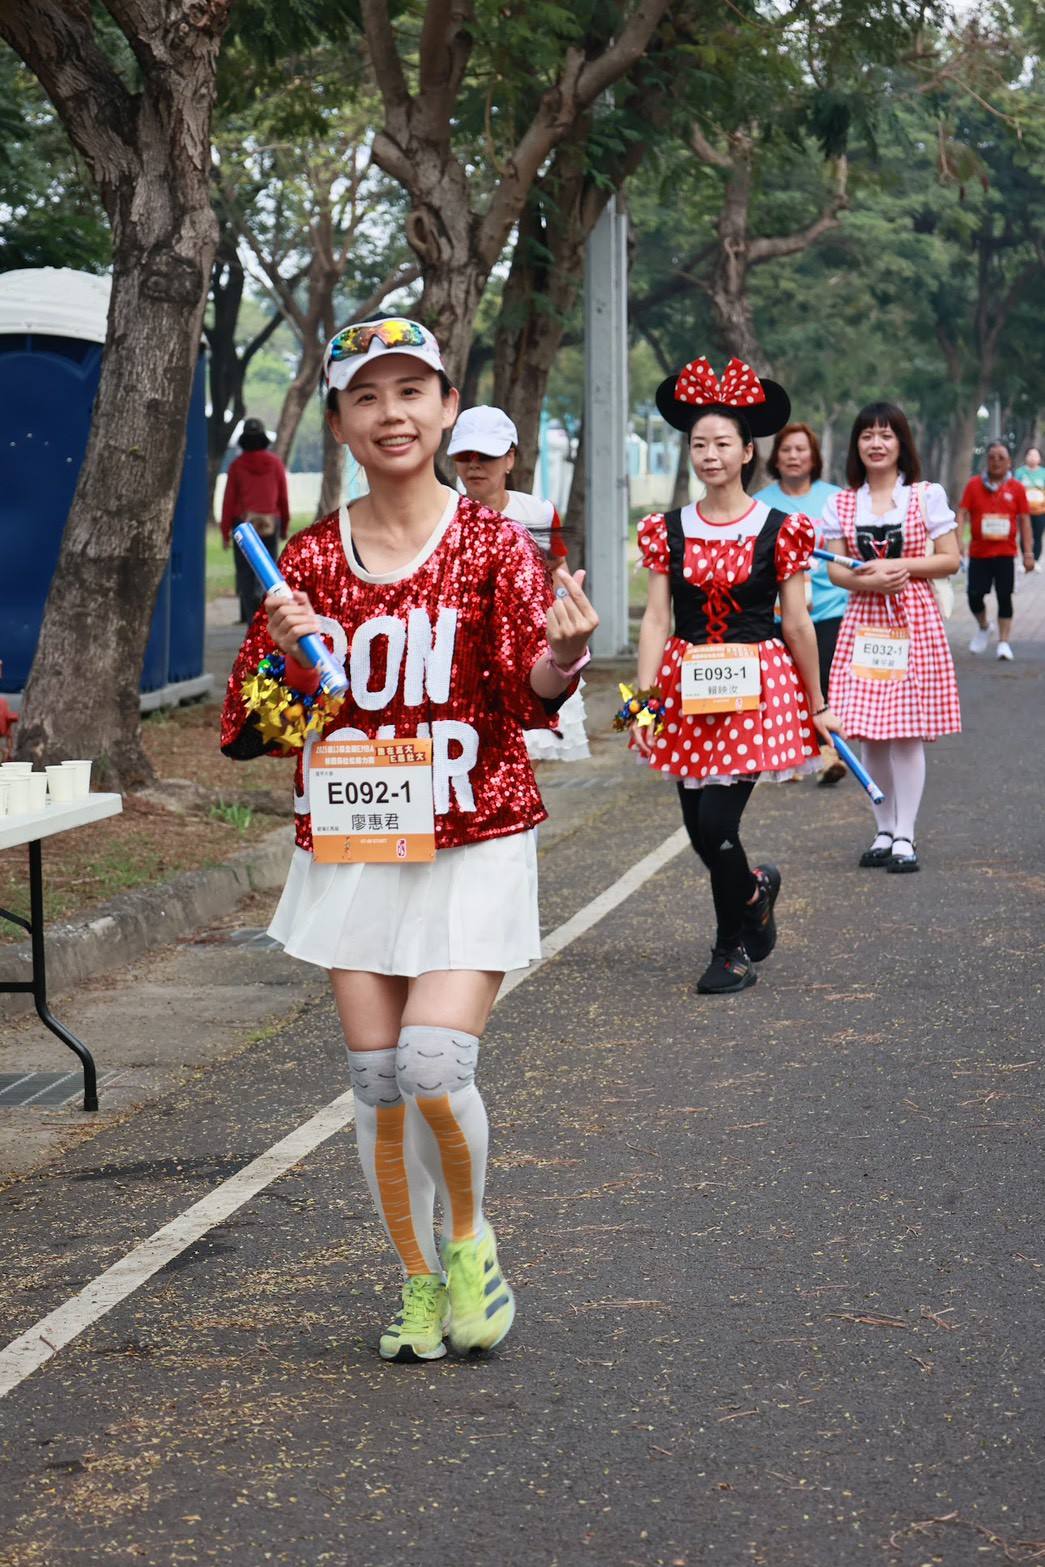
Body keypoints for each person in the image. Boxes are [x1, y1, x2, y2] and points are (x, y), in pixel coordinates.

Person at [221, 318, 598, 1363]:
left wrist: (568, 657)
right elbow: (254, 728)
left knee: (435, 1060)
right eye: (367, 396)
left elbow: (527, 690)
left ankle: (470, 1245)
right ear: (339, 421)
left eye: (411, 391)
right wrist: (291, 658)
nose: (391, 414)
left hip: (474, 831)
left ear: (444, 408)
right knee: (379, 1080)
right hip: (353, 844)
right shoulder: (304, 560)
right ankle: (417, 1278)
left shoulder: (493, 545)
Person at [625, 355, 841, 996]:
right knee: (700, 831)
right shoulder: (666, 528)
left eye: (723, 443)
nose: (710, 455)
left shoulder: (783, 529)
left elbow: (797, 623)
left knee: (719, 826)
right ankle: (754, 892)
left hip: (756, 690)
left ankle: (732, 949)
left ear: (748, 452)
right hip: (685, 688)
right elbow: (656, 620)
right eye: (699, 443)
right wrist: (641, 705)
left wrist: (818, 704)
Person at [823, 402, 961, 874]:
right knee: (867, 730)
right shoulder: (842, 503)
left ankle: (906, 833)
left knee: (905, 730)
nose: (876, 444)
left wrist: (896, 568)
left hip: (912, 619)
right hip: (865, 621)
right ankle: (882, 828)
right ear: (856, 445)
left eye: (886, 435)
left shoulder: (925, 496)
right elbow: (836, 570)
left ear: (902, 443)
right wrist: (869, 582)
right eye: (867, 435)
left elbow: (949, 559)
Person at [448, 404, 589, 762]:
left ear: (510, 459)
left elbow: (557, 567)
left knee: (527, 756)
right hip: (465, 659)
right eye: (465, 455)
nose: (474, 465)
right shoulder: (442, 518)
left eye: (486, 455)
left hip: (531, 654)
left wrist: (563, 609)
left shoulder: (538, 513)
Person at [755, 422, 846, 785]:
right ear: (775, 457)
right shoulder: (760, 503)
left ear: (814, 456)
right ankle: (790, 755)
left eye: (801, 449)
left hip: (830, 606)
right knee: (783, 685)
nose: (794, 456)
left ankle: (829, 754)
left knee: (821, 681)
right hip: (777, 611)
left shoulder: (835, 499)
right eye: (786, 450)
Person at [958, 441, 1033, 661]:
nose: (996, 461)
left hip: (1005, 553)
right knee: (974, 596)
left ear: (1009, 462)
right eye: (992, 457)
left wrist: (1028, 553)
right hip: (979, 553)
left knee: (1004, 596)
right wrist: (958, 542)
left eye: (1001, 457)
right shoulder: (974, 485)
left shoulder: (1016, 488)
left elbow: (1025, 520)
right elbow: (962, 513)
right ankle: (984, 626)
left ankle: (1003, 643)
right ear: (986, 460)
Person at [221, 417, 291, 623]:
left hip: (243, 525)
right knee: (268, 571)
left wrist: (225, 531)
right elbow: (283, 498)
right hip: (270, 524)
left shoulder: (236, 466)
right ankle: (265, 615)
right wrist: (284, 526)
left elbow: (229, 500)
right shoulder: (275, 463)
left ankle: (250, 617)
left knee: (244, 572)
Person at [1014, 446, 1045, 563]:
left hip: (1040, 511)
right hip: (1023, 512)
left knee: (1038, 536)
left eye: (1035, 455)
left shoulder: (1043, 473)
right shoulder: (1019, 473)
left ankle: (1035, 560)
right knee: (1024, 535)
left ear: (1040, 458)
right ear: (1026, 457)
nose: (1032, 457)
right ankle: (1025, 559)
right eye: (1030, 455)